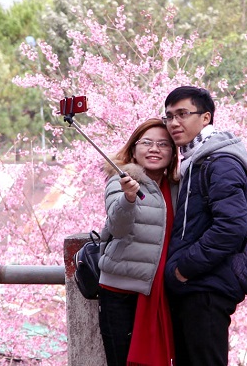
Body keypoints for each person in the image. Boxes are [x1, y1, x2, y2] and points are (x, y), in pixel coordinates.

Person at [162, 86, 247, 366]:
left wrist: (183, 269)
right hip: (195, 290)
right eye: (168, 117)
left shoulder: (220, 162)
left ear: (206, 118)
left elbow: (231, 227)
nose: (174, 123)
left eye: (183, 114)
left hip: (206, 290)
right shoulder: (195, 162)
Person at [98, 118, 179, 366]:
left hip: (163, 290)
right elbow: (118, 227)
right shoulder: (120, 181)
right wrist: (129, 198)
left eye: (163, 144)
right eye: (147, 143)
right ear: (134, 149)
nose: (154, 149)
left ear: (173, 153)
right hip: (122, 291)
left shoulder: (176, 186)